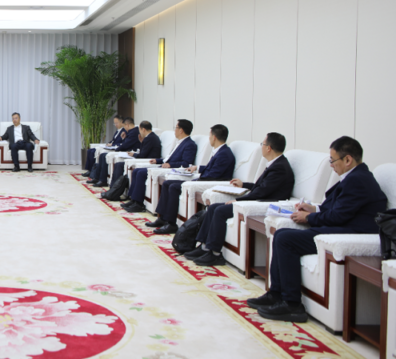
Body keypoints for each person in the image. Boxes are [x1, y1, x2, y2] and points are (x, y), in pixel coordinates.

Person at [248, 136, 387, 323]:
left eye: (333, 160)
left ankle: (292, 304)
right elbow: (338, 208)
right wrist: (314, 209)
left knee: (285, 239)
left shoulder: (358, 180)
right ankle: (276, 294)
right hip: (342, 227)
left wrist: (308, 217)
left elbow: (338, 217)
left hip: (350, 232)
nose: (331, 165)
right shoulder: (355, 177)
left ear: (347, 160)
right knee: (281, 235)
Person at [185, 132, 294, 266]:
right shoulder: (276, 164)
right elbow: (262, 187)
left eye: (262, 144)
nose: (261, 146)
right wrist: (244, 184)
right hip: (256, 199)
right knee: (213, 207)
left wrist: (238, 201)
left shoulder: (279, 168)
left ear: (268, 148)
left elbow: (261, 192)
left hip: (261, 204)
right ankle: (204, 247)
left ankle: (215, 254)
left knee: (220, 211)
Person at [146, 124, 236, 235]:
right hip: (204, 179)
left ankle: (171, 223)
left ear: (214, 137)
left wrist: (195, 179)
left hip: (210, 183)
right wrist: (197, 168)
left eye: (209, 136)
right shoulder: (221, 151)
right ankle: (162, 218)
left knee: (174, 187)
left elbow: (214, 175)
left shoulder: (224, 154)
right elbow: (212, 169)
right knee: (167, 183)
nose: (209, 138)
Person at [122, 119, 197, 213]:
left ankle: (138, 204)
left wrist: (170, 164)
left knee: (141, 173)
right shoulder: (180, 142)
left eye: (176, 128)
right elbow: (169, 158)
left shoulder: (190, 144)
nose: (175, 130)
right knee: (137, 170)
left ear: (181, 130)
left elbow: (186, 163)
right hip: (165, 166)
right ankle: (133, 199)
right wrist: (158, 160)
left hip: (173, 169)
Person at [89, 117, 142, 187]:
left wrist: (116, 149)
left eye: (124, 126)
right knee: (102, 155)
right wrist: (123, 138)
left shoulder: (134, 132)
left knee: (104, 156)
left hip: (129, 152)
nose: (124, 128)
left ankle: (103, 180)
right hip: (125, 150)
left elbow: (125, 145)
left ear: (127, 125)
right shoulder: (131, 131)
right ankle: (97, 177)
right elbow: (125, 143)